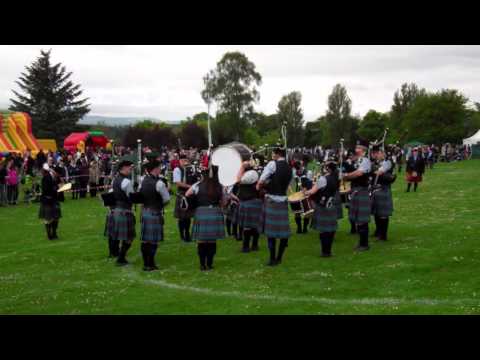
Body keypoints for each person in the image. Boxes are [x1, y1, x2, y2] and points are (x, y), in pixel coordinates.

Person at [256, 147, 293, 266]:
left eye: (273, 153)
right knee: (283, 233)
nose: (272, 155)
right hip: (282, 201)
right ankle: (279, 258)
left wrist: (259, 185)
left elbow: (262, 179)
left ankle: (272, 259)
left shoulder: (273, 164)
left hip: (272, 200)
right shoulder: (289, 168)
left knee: (271, 234)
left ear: (278, 154)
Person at [186, 165, 225, 271]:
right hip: (214, 212)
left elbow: (187, 194)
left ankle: (202, 264)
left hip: (201, 212)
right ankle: (210, 263)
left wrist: (194, 202)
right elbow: (224, 202)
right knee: (212, 241)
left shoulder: (198, 185)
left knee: (202, 241)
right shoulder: (219, 186)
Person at [139, 160, 170, 271]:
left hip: (145, 212)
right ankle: (150, 264)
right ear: (155, 169)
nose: (160, 169)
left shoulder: (143, 181)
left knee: (145, 240)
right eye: (159, 167)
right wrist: (160, 205)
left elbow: (140, 195)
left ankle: (145, 263)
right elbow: (167, 199)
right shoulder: (160, 183)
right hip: (155, 212)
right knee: (153, 241)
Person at [343, 140, 372, 251]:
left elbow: (358, 173)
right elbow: (353, 170)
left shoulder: (365, 161)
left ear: (363, 150)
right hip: (356, 191)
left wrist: (346, 176)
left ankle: (364, 244)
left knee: (362, 219)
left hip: (362, 191)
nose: (356, 149)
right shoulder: (357, 161)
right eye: (356, 147)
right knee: (357, 219)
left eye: (358, 147)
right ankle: (361, 243)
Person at [305, 161, 339, 257]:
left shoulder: (323, 179)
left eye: (325, 167)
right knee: (331, 229)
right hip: (331, 205)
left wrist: (304, 192)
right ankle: (329, 251)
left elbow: (312, 191)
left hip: (323, 206)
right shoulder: (336, 178)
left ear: (328, 168)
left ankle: (325, 252)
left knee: (324, 231)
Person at [233, 162, 263, 253]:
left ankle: (246, 246)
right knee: (255, 225)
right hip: (255, 202)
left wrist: (242, 166)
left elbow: (238, 180)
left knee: (247, 226)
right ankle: (254, 245)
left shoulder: (249, 175)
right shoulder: (254, 173)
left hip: (248, 202)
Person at [111, 160, 136, 266]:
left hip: (117, 210)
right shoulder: (127, 182)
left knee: (120, 236)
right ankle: (121, 258)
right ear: (123, 168)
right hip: (125, 211)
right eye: (129, 167)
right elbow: (132, 196)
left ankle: (117, 255)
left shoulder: (115, 180)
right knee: (129, 237)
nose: (130, 169)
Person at [370, 145, 395, 241]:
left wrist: (371, 170)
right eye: (374, 153)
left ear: (382, 153)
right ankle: (378, 231)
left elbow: (379, 172)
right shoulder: (377, 162)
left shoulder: (387, 162)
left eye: (377, 153)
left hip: (383, 189)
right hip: (376, 190)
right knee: (376, 213)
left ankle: (383, 235)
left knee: (383, 214)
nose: (375, 155)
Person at [173, 154, 198, 242]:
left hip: (190, 195)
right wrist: (191, 187)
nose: (184, 162)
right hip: (182, 194)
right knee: (182, 217)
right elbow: (178, 183)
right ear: (179, 161)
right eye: (182, 160)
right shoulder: (177, 169)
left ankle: (187, 234)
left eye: (185, 160)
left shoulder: (191, 169)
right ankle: (182, 235)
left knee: (188, 217)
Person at [38, 163, 61, 240]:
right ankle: (51, 235)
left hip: (52, 200)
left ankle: (53, 234)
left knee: (54, 218)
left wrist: (57, 189)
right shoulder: (46, 178)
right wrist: (55, 190)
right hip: (48, 200)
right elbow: (46, 190)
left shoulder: (51, 176)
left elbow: (57, 183)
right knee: (50, 219)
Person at [292, 160, 313, 234]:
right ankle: (299, 228)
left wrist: (305, 189)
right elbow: (295, 181)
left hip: (306, 193)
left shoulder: (308, 172)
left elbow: (310, 184)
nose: (298, 170)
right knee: (297, 211)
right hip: (298, 194)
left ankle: (305, 228)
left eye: (299, 168)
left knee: (306, 212)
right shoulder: (295, 172)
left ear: (301, 166)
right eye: (296, 169)